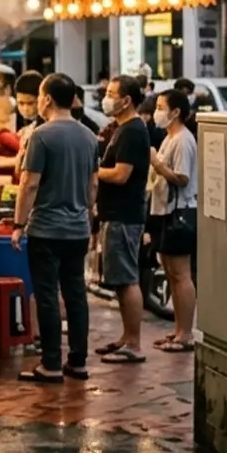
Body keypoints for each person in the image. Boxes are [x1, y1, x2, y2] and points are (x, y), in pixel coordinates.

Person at [11, 73, 99, 384]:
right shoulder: (89, 136)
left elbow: (29, 183)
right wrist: (86, 218)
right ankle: (78, 361)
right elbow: (92, 187)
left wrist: (19, 224)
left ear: (47, 98)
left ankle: (50, 363)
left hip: (46, 230)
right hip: (77, 230)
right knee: (76, 294)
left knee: (47, 295)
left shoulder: (41, 136)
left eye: (38, 94)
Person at [94, 75, 151, 364]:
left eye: (112, 93)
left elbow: (121, 174)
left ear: (126, 100)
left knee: (127, 278)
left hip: (124, 215)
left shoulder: (132, 131)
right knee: (118, 279)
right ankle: (126, 337)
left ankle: (135, 344)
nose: (107, 97)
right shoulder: (121, 129)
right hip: (115, 213)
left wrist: (93, 172)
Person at [149, 89, 198, 352]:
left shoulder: (183, 140)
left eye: (160, 106)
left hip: (180, 212)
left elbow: (183, 178)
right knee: (170, 272)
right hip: (164, 212)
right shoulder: (169, 138)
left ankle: (186, 333)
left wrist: (157, 165)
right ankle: (178, 330)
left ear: (176, 111)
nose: (157, 111)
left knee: (181, 274)